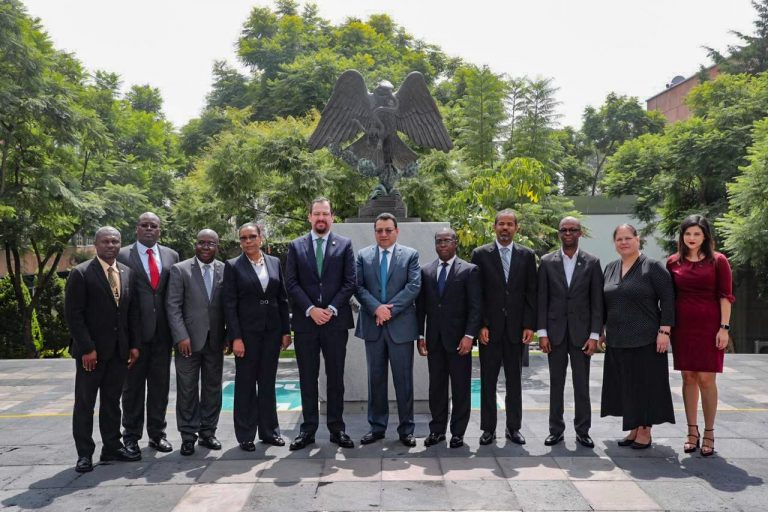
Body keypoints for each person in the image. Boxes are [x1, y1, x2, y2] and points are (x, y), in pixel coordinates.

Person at [65, 227, 141, 473]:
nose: (111, 245)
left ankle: (112, 446)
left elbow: (131, 314)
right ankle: (84, 454)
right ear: (96, 245)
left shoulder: (127, 273)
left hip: (119, 353)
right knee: (85, 404)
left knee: (111, 402)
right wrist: (87, 348)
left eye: (115, 241)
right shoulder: (82, 273)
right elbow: (74, 315)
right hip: (92, 354)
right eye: (106, 241)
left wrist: (134, 346)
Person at [285, 198, 356, 450]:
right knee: (307, 377)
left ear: (332, 217)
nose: (321, 218)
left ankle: (337, 429)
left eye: (325, 214)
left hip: (335, 323)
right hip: (306, 323)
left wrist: (331, 309)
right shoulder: (296, 246)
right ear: (309, 217)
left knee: (335, 377)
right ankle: (308, 430)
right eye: (316, 214)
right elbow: (291, 283)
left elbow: (350, 282)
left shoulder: (345, 245)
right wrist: (311, 309)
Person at [601, 224, 676, 449]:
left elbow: (669, 300)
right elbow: (606, 302)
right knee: (626, 385)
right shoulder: (611, 268)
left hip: (646, 338)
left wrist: (665, 331)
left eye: (628, 238)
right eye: (619, 239)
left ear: (637, 239)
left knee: (646, 385)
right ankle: (633, 428)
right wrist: (603, 329)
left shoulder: (652, 267)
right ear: (614, 243)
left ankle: (645, 430)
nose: (624, 242)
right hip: (617, 339)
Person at [667, 215, 734, 457]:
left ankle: (709, 432)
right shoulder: (673, 262)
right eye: (688, 233)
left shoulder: (719, 261)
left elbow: (726, 296)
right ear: (682, 236)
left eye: (696, 233)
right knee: (688, 378)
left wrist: (724, 328)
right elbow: (669, 297)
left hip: (710, 327)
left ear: (705, 235)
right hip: (683, 327)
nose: (692, 238)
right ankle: (691, 431)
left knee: (707, 379)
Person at [470, 209, 537, 446]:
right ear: (494, 227)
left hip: (516, 331)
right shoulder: (480, 254)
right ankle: (488, 429)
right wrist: (481, 325)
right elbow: (476, 294)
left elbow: (531, 293)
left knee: (514, 382)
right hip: (490, 330)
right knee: (488, 382)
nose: (505, 228)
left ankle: (513, 428)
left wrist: (529, 324)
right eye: (501, 224)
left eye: (510, 224)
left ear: (516, 228)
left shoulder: (527, 255)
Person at [223, 222, 291, 451]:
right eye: (243, 238)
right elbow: (229, 305)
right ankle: (245, 435)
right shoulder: (232, 266)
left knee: (268, 382)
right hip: (246, 335)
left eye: (252, 236)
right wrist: (236, 338)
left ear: (261, 237)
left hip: (271, 332)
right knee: (245, 384)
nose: (248, 241)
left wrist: (285, 330)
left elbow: (282, 298)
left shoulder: (274, 262)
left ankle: (270, 431)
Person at [355, 212, 421, 447]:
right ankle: (377, 427)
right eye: (379, 230)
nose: (383, 234)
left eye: (388, 230)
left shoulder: (410, 256)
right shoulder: (363, 256)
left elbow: (414, 286)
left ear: (396, 231)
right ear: (375, 232)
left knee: (404, 381)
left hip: (401, 327)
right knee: (376, 379)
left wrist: (389, 311)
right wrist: (376, 309)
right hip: (373, 327)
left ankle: (406, 429)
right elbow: (359, 287)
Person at [537, 217, 603, 448]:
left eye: (572, 230)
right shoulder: (546, 262)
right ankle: (556, 430)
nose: (568, 233)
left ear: (579, 233)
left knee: (581, 385)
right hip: (554, 334)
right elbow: (541, 299)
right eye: (564, 230)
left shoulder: (592, 262)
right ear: (558, 234)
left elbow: (597, 302)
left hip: (582, 335)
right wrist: (542, 333)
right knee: (556, 384)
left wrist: (595, 335)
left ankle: (583, 431)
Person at [118, 212, 179, 456]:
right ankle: (131, 436)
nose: (149, 229)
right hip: (135, 336)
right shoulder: (122, 255)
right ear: (137, 228)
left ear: (159, 230)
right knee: (131, 389)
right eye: (144, 225)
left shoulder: (171, 255)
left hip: (162, 335)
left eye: (154, 226)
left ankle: (157, 434)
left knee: (159, 388)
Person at [416, 228, 481, 448]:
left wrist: (469, 336)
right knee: (437, 388)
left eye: (447, 240)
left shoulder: (470, 270)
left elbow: (475, 307)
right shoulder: (425, 271)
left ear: (455, 243)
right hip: (434, 341)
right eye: (439, 241)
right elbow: (421, 308)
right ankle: (437, 430)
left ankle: (458, 432)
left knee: (461, 387)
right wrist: (420, 335)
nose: (443, 244)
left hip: (460, 341)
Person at [166, 229, 226, 456]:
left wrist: (228, 335)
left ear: (217, 246)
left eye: (211, 243)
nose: (206, 247)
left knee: (212, 388)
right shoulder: (180, 270)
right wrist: (181, 336)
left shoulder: (224, 270)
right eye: (201, 242)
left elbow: (228, 305)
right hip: (187, 342)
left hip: (215, 341)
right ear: (196, 245)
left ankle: (208, 432)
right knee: (187, 389)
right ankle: (188, 435)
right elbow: (173, 306)